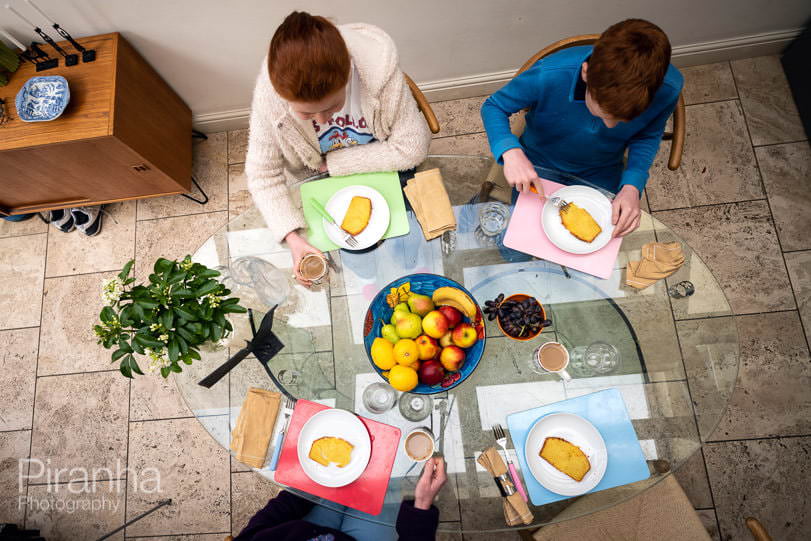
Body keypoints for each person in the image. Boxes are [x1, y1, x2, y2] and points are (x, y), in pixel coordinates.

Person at [246, 11, 431, 285]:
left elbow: (413, 148)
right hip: (321, 181)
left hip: (387, 167)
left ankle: (409, 263)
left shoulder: (378, 69)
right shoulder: (270, 97)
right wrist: (292, 238)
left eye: (333, 106)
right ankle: (368, 277)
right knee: (353, 253)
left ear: (348, 74)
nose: (323, 121)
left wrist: (335, 164)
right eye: (306, 114)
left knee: (409, 232)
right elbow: (262, 175)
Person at [481, 19, 683, 237]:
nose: (609, 127)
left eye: (623, 120)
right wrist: (511, 152)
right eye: (603, 113)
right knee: (520, 240)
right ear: (585, 73)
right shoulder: (549, 73)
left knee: (600, 242)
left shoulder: (668, 89)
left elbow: (647, 135)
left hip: (602, 171)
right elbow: (494, 106)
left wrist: (633, 185)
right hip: (537, 163)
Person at [233, 456, 447, 541]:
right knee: (383, 480)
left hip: (307, 527)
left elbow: (265, 522)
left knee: (340, 471)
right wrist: (421, 505)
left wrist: (312, 480)